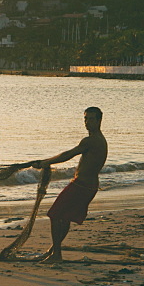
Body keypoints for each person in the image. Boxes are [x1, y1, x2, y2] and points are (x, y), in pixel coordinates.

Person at [35, 107, 108, 264]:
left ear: (99, 121)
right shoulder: (100, 139)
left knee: (54, 214)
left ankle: (56, 255)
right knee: (64, 217)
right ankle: (54, 250)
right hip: (88, 186)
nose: (87, 122)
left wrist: (47, 162)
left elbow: (68, 154)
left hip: (82, 186)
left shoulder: (91, 140)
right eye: (85, 119)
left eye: (91, 119)